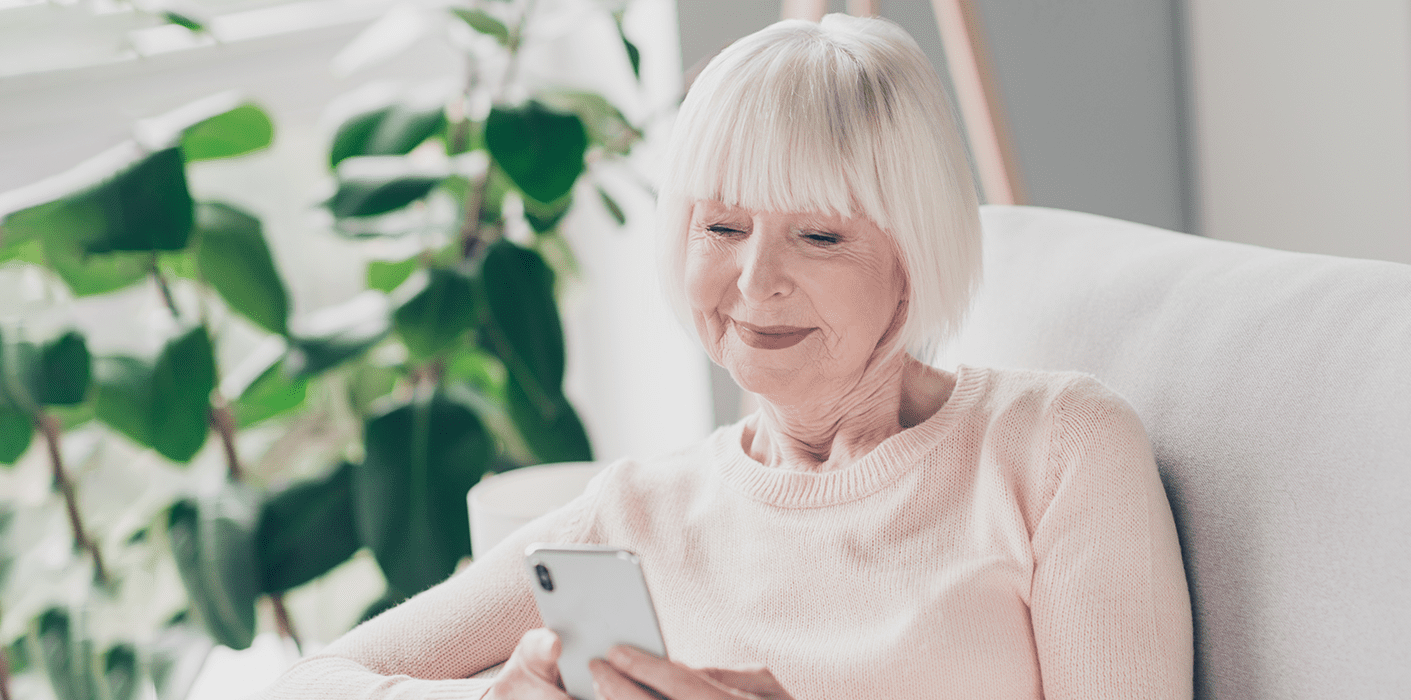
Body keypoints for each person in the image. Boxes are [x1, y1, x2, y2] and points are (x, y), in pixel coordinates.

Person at [261, 13, 1191, 700]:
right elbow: (292, 685)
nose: (753, 281)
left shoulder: (1058, 446)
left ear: (915, 247)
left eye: (819, 235)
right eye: (723, 224)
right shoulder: (635, 513)